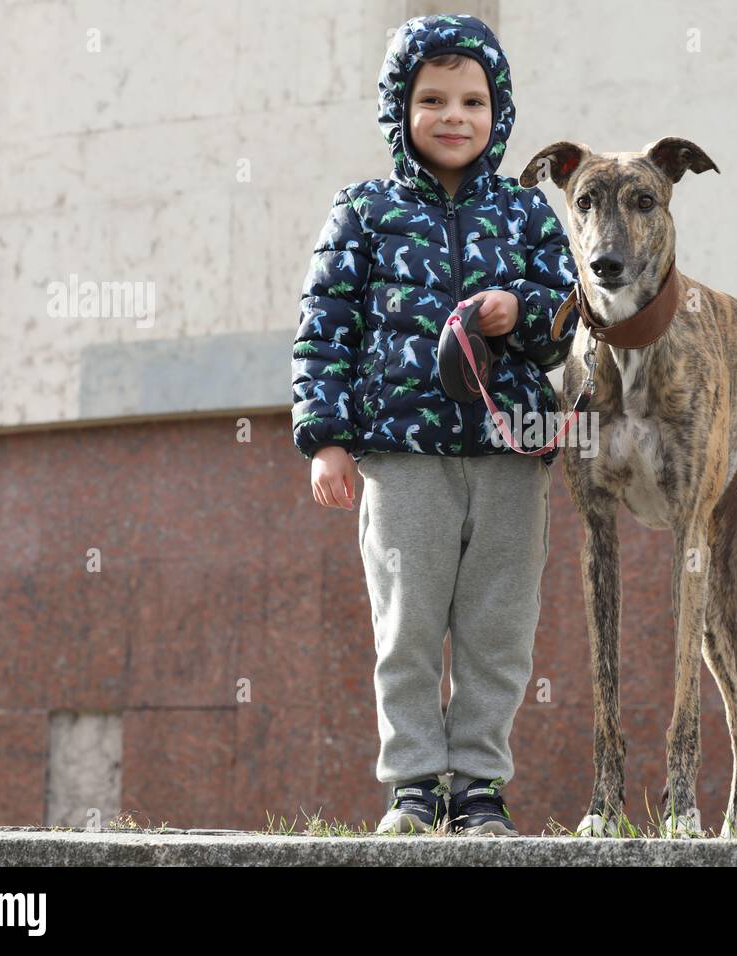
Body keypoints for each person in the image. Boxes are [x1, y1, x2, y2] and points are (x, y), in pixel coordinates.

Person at [290, 13, 578, 836]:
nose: (455, 117)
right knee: (406, 626)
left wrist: (517, 311)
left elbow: (567, 322)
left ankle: (481, 787)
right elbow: (324, 328)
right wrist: (328, 439)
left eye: (473, 101)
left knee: (497, 628)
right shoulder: (364, 211)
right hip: (400, 455)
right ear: (400, 110)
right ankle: (414, 787)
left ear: (499, 113)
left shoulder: (526, 214)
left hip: (508, 454)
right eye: (433, 100)